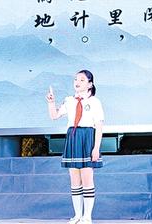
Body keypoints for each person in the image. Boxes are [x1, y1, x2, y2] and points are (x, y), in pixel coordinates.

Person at [46, 69, 104, 224]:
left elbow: (99, 126)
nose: (77, 82)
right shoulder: (69, 100)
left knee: (87, 178)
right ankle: (77, 215)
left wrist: (96, 148)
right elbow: (54, 116)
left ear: (90, 84)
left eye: (82, 80)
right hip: (73, 137)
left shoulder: (94, 102)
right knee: (74, 179)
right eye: (76, 79)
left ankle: (87, 217)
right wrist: (51, 102)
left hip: (87, 138)